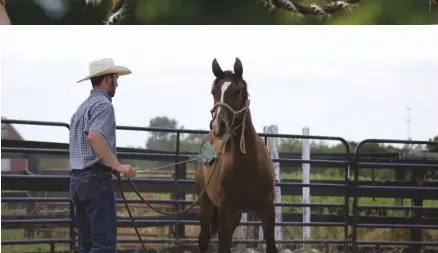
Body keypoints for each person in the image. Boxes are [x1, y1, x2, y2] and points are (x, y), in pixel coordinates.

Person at [69, 58, 137, 253]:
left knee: (87, 245)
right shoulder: (104, 106)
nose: (117, 83)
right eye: (115, 78)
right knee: (103, 245)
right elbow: (95, 136)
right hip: (96, 180)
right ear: (107, 79)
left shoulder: (81, 108)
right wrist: (116, 165)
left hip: (77, 180)